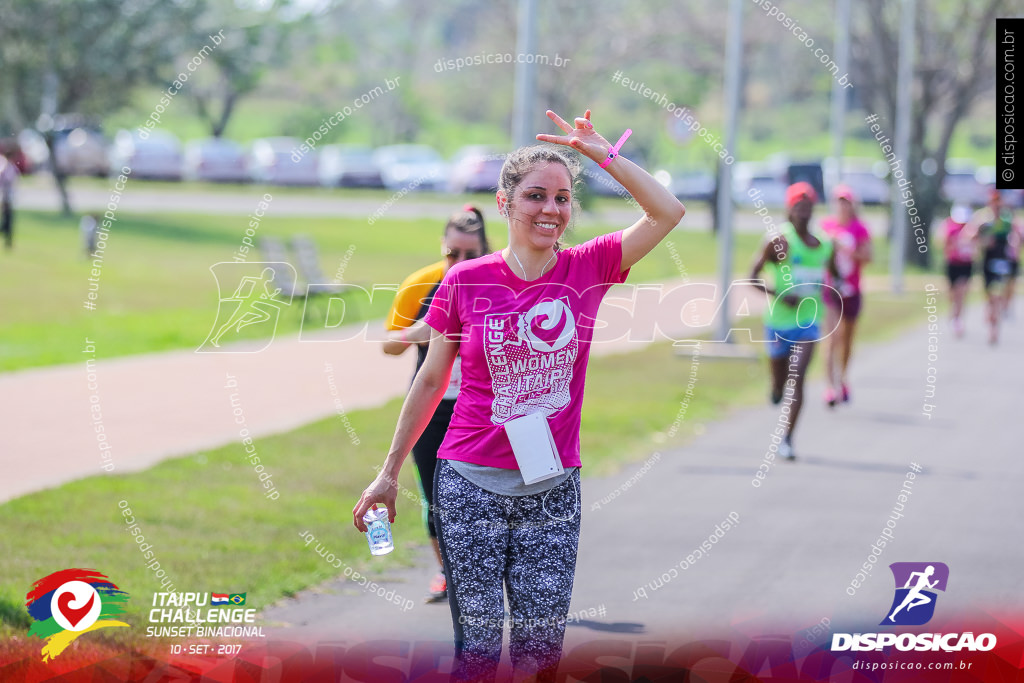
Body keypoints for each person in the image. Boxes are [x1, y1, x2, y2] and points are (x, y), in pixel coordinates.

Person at [353, 108, 685, 682]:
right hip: (469, 485)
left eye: (562, 198)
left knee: (540, 658)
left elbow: (667, 212)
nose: (550, 210)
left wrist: (601, 155)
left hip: (552, 491)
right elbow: (430, 381)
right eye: (535, 196)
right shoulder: (465, 280)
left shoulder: (590, 266)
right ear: (505, 204)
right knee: (477, 655)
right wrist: (388, 472)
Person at [381, 205, 490, 603]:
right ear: (442, 248)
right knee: (435, 495)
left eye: (470, 254)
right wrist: (427, 329)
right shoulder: (422, 283)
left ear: (484, 250)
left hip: (480, 409)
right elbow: (388, 345)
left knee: (483, 496)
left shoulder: (497, 282)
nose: (459, 262)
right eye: (452, 253)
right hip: (431, 403)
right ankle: (447, 572)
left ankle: (482, 572)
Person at [749, 182, 837, 461]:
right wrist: (777, 294)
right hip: (778, 322)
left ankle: (786, 438)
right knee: (780, 380)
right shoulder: (778, 241)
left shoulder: (823, 245)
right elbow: (752, 277)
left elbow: (833, 273)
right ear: (789, 210)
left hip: (809, 321)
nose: (803, 213)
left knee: (798, 376)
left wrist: (842, 285)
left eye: (808, 207)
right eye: (798, 207)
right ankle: (775, 388)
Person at [820, 184, 872, 406]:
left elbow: (868, 256)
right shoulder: (825, 227)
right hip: (831, 290)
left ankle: (843, 379)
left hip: (852, 290)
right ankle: (831, 387)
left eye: (846, 202)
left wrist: (851, 250)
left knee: (847, 340)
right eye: (839, 201)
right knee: (832, 337)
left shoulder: (859, 228)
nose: (842, 206)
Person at [966, 188, 1021, 344]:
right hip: (987, 262)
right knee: (990, 296)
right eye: (994, 201)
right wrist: (984, 242)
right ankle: (991, 313)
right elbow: (971, 237)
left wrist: (1014, 247)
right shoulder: (984, 220)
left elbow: (1015, 236)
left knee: (998, 295)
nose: (997, 205)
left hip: (1003, 262)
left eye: (999, 202)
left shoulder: (1007, 220)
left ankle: (994, 329)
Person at [943, 205, 975, 338]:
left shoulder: (972, 229)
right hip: (953, 264)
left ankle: (958, 318)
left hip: (966, 265)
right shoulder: (951, 228)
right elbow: (946, 246)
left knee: (961, 291)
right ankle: (953, 313)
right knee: (952, 293)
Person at [0, 150, 19, 250]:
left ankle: (8, 243)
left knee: (8, 221)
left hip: (9, 197)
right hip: (6, 197)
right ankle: (8, 242)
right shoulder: (5, 168)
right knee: (6, 221)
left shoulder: (11, 167)